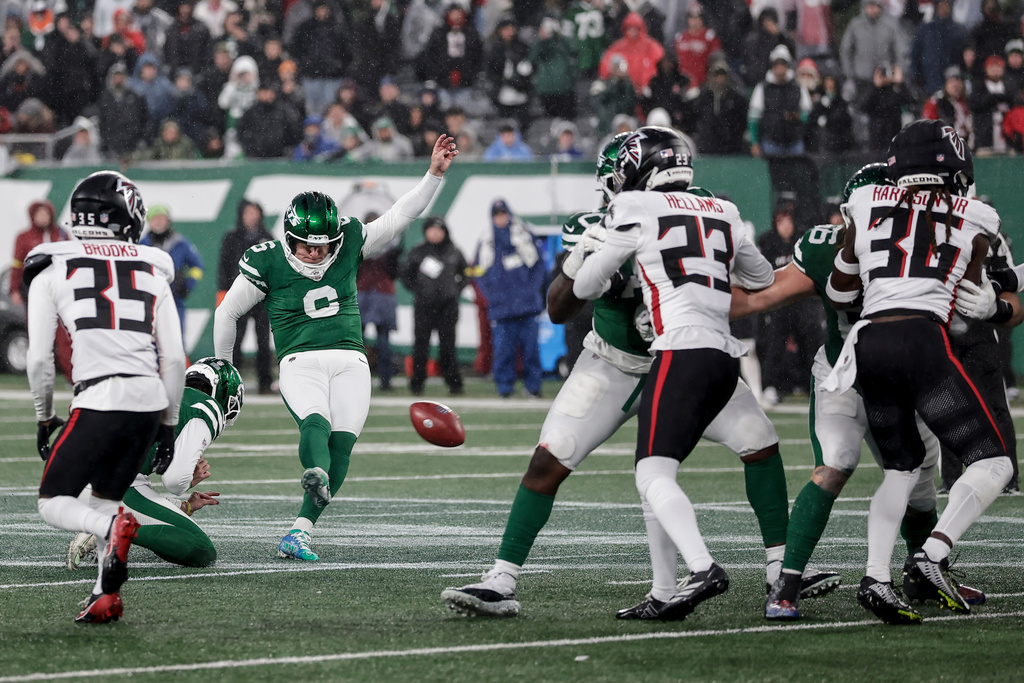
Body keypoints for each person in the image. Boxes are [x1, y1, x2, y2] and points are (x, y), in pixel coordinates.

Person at [441, 134, 828, 619]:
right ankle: (502, 577)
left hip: (680, 359)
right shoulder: (607, 225)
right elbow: (559, 308)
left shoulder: (684, 214)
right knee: (550, 459)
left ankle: (777, 569)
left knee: (759, 441)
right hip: (615, 364)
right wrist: (579, 260)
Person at [731, 164, 993, 621]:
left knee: (921, 478)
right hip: (844, 376)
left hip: (895, 374)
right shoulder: (829, 247)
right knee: (837, 463)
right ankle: (785, 583)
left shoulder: (919, 245)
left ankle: (924, 573)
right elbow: (765, 295)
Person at [566, 126, 780, 621]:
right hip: (725, 357)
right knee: (723, 451)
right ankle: (681, 587)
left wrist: (593, 255)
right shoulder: (723, 210)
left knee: (651, 471)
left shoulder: (635, 207)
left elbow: (585, 286)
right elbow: (763, 278)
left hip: (679, 352)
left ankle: (702, 567)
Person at [212, 135, 458, 562]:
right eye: (306, 244)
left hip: (350, 359)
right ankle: (314, 472)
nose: (314, 252)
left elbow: (400, 215)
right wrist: (225, 369)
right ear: (288, 238)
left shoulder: (349, 240)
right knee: (316, 423)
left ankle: (300, 529)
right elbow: (226, 314)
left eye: (322, 244)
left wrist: (434, 175)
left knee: (343, 443)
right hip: (298, 359)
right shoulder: (267, 258)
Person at [826, 120, 1013, 622]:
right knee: (995, 463)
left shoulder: (863, 203)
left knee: (901, 467)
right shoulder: (978, 215)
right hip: (921, 338)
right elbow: (963, 311)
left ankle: (875, 576)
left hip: (868, 342)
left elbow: (839, 293)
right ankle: (931, 555)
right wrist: (990, 303)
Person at [26, 170, 186, 623]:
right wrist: (168, 425)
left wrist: (44, 417)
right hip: (149, 401)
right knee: (106, 499)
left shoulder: (51, 268)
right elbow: (173, 360)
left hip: (100, 395)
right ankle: (104, 594)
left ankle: (110, 531)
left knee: (54, 500)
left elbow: (38, 361)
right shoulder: (153, 271)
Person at [67, 357, 244, 570]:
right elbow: (174, 480)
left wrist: (185, 506)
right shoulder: (207, 407)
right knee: (200, 550)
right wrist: (189, 480)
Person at [473, 199, 546, 398]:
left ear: (509, 214)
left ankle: (533, 386)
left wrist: (532, 291)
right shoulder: (486, 240)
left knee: (531, 349)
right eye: (496, 214)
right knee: (503, 351)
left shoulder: (524, 235)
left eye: (503, 214)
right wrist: (492, 297)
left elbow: (539, 265)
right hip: (502, 307)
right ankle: (504, 387)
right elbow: (478, 272)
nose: (500, 218)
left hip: (527, 305)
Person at [400, 216, 467, 396]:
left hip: (448, 307)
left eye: (439, 230)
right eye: (431, 229)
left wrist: (454, 290)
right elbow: (405, 274)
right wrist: (419, 290)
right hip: (424, 306)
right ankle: (417, 384)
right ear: (426, 232)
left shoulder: (454, 251)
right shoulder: (418, 252)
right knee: (421, 346)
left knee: (448, 346)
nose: (435, 233)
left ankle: (454, 384)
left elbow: (466, 274)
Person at [217, 199, 274, 395]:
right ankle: (233, 384)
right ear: (242, 215)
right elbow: (223, 267)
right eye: (248, 212)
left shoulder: (267, 237)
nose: (252, 216)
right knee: (235, 341)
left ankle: (265, 384)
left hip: (261, 298)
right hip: (238, 296)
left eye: (255, 212)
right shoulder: (232, 238)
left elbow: (274, 268)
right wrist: (223, 293)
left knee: (263, 342)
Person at [140, 205, 204, 334]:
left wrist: (188, 284)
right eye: (154, 218)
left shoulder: (180, 243)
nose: (158, 222)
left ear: (168, 220)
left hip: (175, 299)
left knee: (176, 337)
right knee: (150, 340)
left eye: (161, 218)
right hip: (149, 301)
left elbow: (197, 266)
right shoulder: (142, 244)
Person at [356, 211, 401, 392]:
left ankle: (382, 380)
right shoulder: (387, 243)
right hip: (373, 291)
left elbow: (396, 269)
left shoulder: (387, 244)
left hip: (375, 292)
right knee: (359, 341)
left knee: (376, 341)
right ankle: (372, 381)